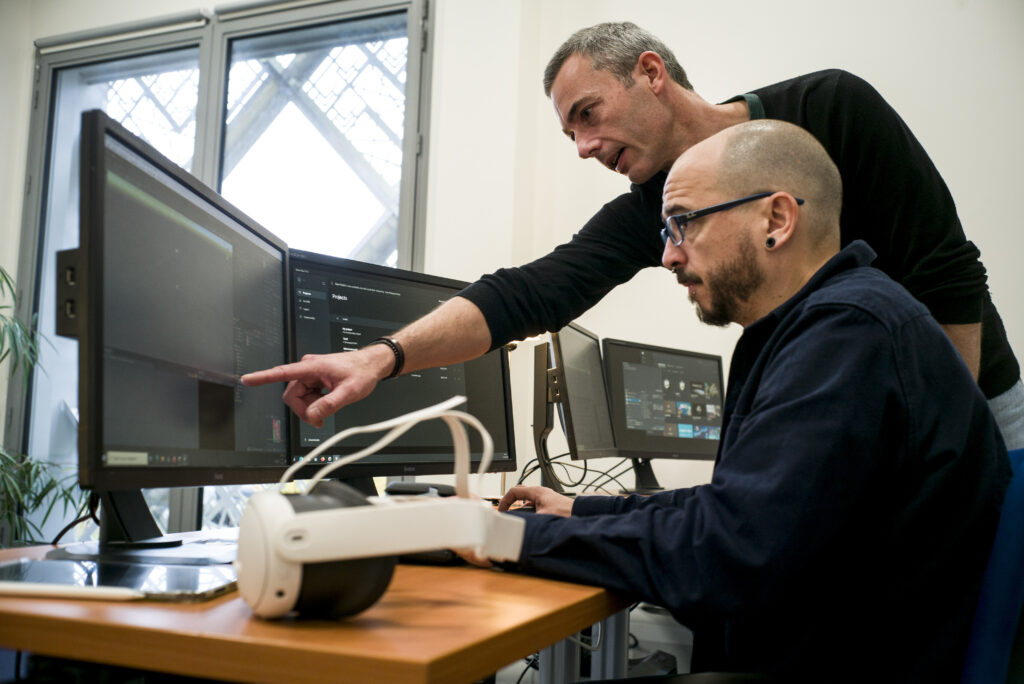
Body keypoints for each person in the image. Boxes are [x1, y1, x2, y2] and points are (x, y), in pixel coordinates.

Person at [241, 22, 1022, 449]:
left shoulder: (835, 109)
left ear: (651, 73)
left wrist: (944, 449)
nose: (583, 147)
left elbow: (950, 274)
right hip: (852, 430)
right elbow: (532, 291)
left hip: (972, 404)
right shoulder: (655, 207)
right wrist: (383, 357)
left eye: (588, 114)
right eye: (569, 134)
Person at [479, 120, 1010, 680]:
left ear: (775, 221)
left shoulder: (848, 335)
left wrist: (509, 535)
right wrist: (581, 509)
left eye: (682, 225)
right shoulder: (827, 325)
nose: (668, 257)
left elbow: (732, 552)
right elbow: (738, 511)